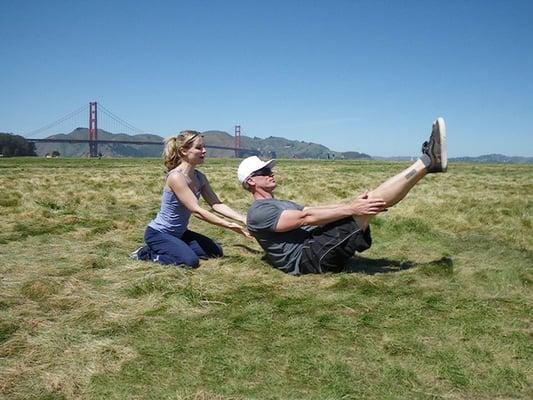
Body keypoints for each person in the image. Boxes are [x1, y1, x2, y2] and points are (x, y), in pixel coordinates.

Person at [237, 118, 448, 275]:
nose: (271, 173)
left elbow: (310, 211)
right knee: (365, 206)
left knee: (366, 203)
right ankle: (427, 162)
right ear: (251, 182)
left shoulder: (276, 203)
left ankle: (428, 163)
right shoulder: (257, 213)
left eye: (270, 170)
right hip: (307, 260)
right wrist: (352, 209)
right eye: (264, 172)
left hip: (314, 245)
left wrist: (351, 204)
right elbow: (305, 218)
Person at [131, 130, 249, 268]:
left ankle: (176, 247)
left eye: (204, 147)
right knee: (190, 262)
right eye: (199, 148)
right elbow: (196, 211)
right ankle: (145, 253)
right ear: (184, 151)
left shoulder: (199, 177)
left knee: (216, 252)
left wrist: (242, 219)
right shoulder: (176, 177)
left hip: (180, 233)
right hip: (158, 234)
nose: (204, 151)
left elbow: (216, 204)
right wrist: (229, 225)